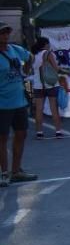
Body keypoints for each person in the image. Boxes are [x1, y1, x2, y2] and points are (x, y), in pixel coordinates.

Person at [0, 23, 35, 186]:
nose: (5, 36)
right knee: (2, 139)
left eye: (7, 33)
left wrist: (26, 71)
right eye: (2, 33)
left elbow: (30, 57)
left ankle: (16, 172)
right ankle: (3, 173)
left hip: (19, 102)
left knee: (21, 135)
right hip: (2, 104)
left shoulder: (14, 50)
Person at [28, 37, 64, 138]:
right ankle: (58, 132)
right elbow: (56, 69)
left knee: (39, 109)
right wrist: (65, 71)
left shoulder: (34, 55)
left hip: (38, 86)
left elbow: (31, 69)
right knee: (54, 108)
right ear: (45, 44)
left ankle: (39, 133)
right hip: (51, 84)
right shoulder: (48, 54)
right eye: (48, 43)